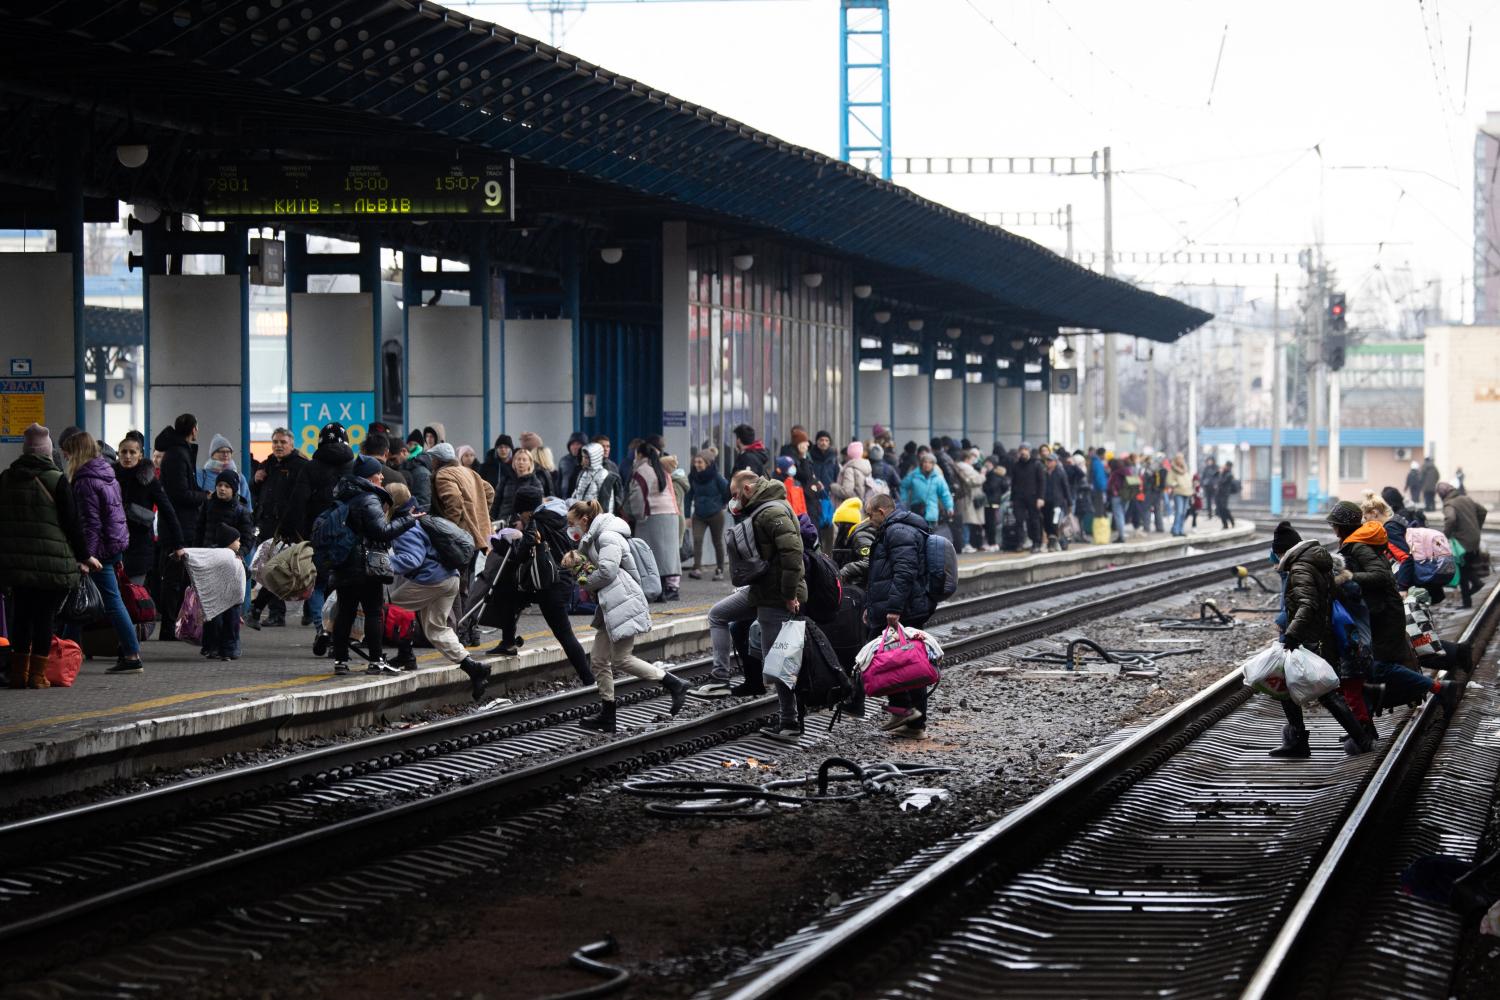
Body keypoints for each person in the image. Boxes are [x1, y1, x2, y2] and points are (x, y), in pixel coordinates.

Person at [565, 498, 689, 733]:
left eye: (572, 523)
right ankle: (608, 714)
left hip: (623, 601)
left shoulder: (607, 536)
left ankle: (674, 683)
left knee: (621, 659)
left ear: (584, 520)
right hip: (611, 603)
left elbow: (607, 571)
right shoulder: (593, 538)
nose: (571, 529)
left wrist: (585, 583)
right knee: (600, 659)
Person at [1326, 501, 1460, 717]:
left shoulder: (1359, 546)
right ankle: (1364, 721)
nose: (1332, 529)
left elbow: (1380, 575)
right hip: (1380, 611)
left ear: (1342, 526)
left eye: (1334, 525)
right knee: (1371, 667)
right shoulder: (1356, 542)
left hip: (1384, 613)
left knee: (1378, 666)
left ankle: (1440, 688)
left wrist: (1349, 577)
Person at [704, 471, 806, 739]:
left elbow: (793, 554)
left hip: (776, 595)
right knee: (719, 614)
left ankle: (790, 723)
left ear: (747, 489)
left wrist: (788, 593)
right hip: (762, 590)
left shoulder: (771, 512)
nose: (734, 502)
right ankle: (720, 679)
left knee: (779, 659)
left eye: (736, 496)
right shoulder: (761, 509)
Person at [1266, 521, 1374, 758]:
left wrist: (1292, 634)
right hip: (1323, 637)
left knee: (1313, 691)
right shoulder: (1317, 562)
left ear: (1282, 551)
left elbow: (1307, 604)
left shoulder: (1300, 568)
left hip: (1309, 639)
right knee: (1315, 691)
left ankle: (1304, 742)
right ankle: (1358, 738)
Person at [0, 424, 91, 688]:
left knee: (20, 617)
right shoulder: (57, 480)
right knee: (44, 618)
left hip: (16, 564)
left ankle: (18, 674)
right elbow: (72, 524)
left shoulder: (6, 478)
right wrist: (84, 556)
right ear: (48, 452)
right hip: (50, 563)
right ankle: (38, 676)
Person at [385, 482, 492, 699]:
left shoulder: (403, 526)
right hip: (449, 577)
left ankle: (406, 655)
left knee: (392, 609)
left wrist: (384, 562)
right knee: (436, 629)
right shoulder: (419, 516)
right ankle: (473, 668)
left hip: (431, 579)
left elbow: (412, 560)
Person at [316, 455, 420, 676]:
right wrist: (409, 520)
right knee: (374, 612)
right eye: (378, 473)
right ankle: (375, 660)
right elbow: (382, 531)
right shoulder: (369, 499)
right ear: (368, 476)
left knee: (345, 612)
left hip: (344, 563)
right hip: (367, 564)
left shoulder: (344, 495)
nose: (382, 476)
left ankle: (340, 661)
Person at [481, 486, 593, 683]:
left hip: (551, 584)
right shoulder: (559, 514)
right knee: (509, 592)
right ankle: (508, 642)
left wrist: (500, 543)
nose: (521, 517)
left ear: (528, 511)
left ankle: (589, 679)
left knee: (564, 634)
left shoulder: (537, 523)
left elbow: (519, 554)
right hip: (554, 579)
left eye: (521, 513)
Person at [59, 432, 148, 674]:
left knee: (110, 602)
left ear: (76, 451)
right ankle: (68, 654)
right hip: (112, 546)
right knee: (78, 602)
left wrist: (86, 557)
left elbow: (91, 523)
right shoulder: (106, 473)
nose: (65, 456)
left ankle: (131, 655)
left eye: (67, 451)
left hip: (99, 552)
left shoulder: (85, 479)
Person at [861, 492, 936, 735]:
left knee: (883, 657)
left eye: (869, 514)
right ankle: (913, 722)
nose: (868, 520)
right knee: (908, 661)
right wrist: (871, 607)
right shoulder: (897, 529)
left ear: (881, 511)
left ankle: (905, 711)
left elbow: (904, 572)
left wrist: (894, 608)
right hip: (902, 605)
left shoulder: (898, 531)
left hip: (903, 607)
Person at [287, 422, 355, 630]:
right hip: (347, 531)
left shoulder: (310, 467)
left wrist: (297, 533)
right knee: (343, 584)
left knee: (316, 582)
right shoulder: (353, 465)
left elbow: (298, 502)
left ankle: (321, 628)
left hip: (317, 532)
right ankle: (341, 629)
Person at [430, 441, 495, 643]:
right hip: (477, 537)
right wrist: (480, 515)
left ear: (438, 460)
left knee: (457, 584)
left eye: (432, 459)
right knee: (468, 584)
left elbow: (454, 502)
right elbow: (490, 492)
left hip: (460, 538)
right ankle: (471, 631)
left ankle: (459, 632)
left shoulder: (443, 475)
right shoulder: (469, 472)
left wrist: (451, 528)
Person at [247, 427, 306, 628]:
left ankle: (269, 611)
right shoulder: (268, 464)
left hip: (288, 528)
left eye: (282, 442)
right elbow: (256, 491)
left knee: (278, 571)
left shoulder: (300, 466)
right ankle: (270, 611)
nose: (278, 446)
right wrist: (255, 481)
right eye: (275, 442)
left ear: (291, 444)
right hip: (267, 525)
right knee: (269, 570)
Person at [195, 468, 254, 660]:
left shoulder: (241, 511)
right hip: (210, 561)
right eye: (219, 485)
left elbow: (247, 538)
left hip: (230, 564)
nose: (222, 489)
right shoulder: (208, 506)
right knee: (212, 607)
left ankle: (230, 648)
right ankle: (212, 646)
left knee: (231, 608)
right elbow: (200, 530)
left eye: (227, 486)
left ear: (234, 489)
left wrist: (241, 553)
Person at [114, 433, 183, 586]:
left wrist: (178, 544)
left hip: (139, 544)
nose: (128, 456)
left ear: (140, 455)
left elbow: (167, 510)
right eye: (124, 452)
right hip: (112, 545)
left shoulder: (149, 480)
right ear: (118, 454)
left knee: (133, 594)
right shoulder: (110, 477)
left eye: (133, 452)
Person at [626, 443, 683, 601]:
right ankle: (669, 589)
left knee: (650, 555)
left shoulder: (641, 470)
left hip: (652, 516)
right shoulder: (662, 468)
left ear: (639, 455)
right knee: (668, 556)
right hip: (671, 514)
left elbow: (637, 497)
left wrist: (638, 516)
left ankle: (657, 591)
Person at [1438, 481, 1487, 608]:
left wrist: (1444, 537)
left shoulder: (1449, 504)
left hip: (1462, 542)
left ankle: (1472, 593)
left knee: (1463, 572)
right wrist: (1476, 527)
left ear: (1442, 494)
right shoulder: (1466, 498)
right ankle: (1471, 593)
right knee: (1467, 567)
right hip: (1474, 539)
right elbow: (1483, 511)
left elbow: (1451, 519)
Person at [687, 453, 729, 581]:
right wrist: (687, 516)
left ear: (707, 463)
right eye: (695, 462)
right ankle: (697, 568)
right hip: (699, 514)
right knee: (697, 539)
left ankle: (720, 569)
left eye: (700, 462)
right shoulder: (692, 477)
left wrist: (722, 504)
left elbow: (728, 490)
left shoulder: (716, 477)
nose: (697, 465)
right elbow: (688, 496)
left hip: (715, 514)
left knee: (717, 542)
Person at [900, 452, 954, 538]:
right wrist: (904, 499)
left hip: (931, 511)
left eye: (930, 462)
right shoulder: (914, 475)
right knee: (916, 534)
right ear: (921, 463)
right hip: (916, 510)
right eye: (925, 462)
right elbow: (903, 486)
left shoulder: (938, 478)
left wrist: (949, 507)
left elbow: (945, 494)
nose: (927, 464)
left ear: (933, 465)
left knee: (931, 536)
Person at [194, 433, 252, 507]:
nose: (225, 454)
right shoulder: (202, 474)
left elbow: (247, 504)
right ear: (212, 454)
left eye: (228, 452)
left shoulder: (239, 477)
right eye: (221, 451)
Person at [1008, 444, 1046, 553]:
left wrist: (1041, 497)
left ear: (1029, 451)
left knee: (1034, 520)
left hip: (1033, 497)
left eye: (1025, 450)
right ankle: (1020, 542)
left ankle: (1036, 543)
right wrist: (1012, 498)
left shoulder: (1036, 464)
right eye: (1021, 450)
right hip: (1018, 497)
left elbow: (1041, 482)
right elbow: (1013, 483)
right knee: (1018, 520)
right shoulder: (1016, 465)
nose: (1023, 452)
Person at [493, 447, 546, 522]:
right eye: (518, 459)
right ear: (514, 462)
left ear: (530, 463)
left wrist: (525, 523)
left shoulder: (535, 482)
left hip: (523, 524)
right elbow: (496, 502)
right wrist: (491, 519)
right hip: (502, 521)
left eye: (524, 460)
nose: (521, 462)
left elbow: (539, 506)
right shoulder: (506, 479)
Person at [953, 450, 986, 554]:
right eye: (972, 458)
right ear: (967, 459)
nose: (974, 460)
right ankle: (965, 544)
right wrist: (982, 475)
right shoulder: (965, 468)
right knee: (966, 521)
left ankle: (966, 543)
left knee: (966, 521)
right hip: (967, 499)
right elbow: (973, 481)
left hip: (967, 498)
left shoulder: (962, 467)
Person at [1042, 451, 1072, 551]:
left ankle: (1053, 543)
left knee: (1055, 522)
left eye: (1050, 461)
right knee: (1046, 523)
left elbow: (1066, 487)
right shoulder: (1044, 472)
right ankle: (1052, 542)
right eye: (1047, 461)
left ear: (1055, 462)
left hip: (1057, 503)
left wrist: (1069, 502)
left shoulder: (1060, 473)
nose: (1048, 463)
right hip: (1046, 502)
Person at [833, 440, 875, 505]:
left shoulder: (849, 469)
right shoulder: (867, 467)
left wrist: (833, 486)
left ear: (849, 454)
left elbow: (847, 492)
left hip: (850, 507)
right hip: (864, 505)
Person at [401, 431, 434, 509]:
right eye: (409, 444)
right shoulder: (405, 465)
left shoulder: (421, 470)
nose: (412, 446)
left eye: (415, 444)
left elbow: (423, 502)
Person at [1166, 453, 1193, 537]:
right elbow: (1169, 481)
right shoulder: (1172, 470)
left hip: (1187, 492)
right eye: (1179, 458)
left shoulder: (1185, 469)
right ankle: (1175, 530)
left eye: (1181, 458)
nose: (1180, 460)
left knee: (1184, 512)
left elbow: (1188, 479)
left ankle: (1180, 530)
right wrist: (1176, 484)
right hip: (1178, 493)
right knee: (1179, 511)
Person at [1215, 461, 1238, 529]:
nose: (1224, 466)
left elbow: (1222, 481)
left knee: (1224, 508)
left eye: (1226, 465)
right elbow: (1214, 476)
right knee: (1219, 509)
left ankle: (1231, 520)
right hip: (1218, 493)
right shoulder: (1222, 473)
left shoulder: (1229, 474)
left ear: (1229, 467)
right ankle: (1225, 524)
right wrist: (1219, 472)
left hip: (1224, 494)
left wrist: (1221, 473)